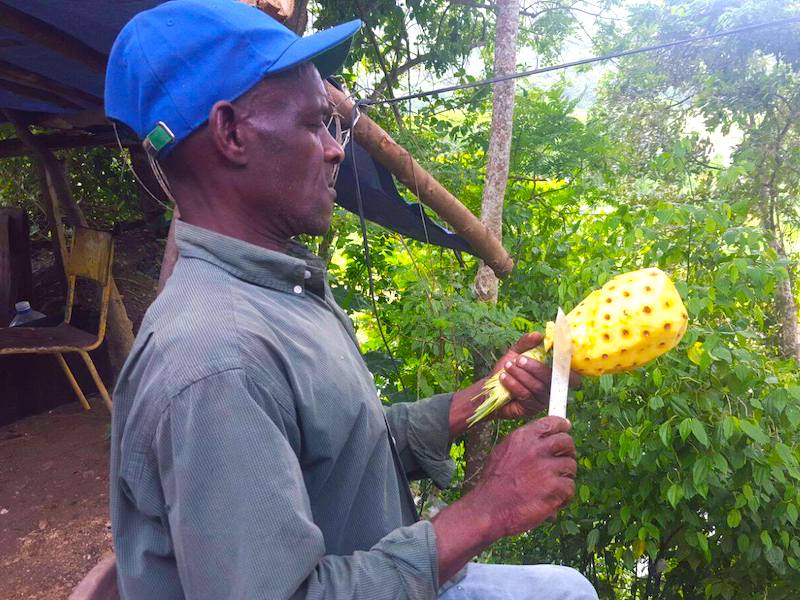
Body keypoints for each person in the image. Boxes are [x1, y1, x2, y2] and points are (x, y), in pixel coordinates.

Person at [104, 1, 598, 598]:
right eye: (314, 124)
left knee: (567, 588)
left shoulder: (276, 291)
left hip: (375, 565)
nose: (337, 149)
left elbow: (343, 451)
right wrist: (489, 508)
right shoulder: (216, 360)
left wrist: (478, 402)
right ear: (230, 132)